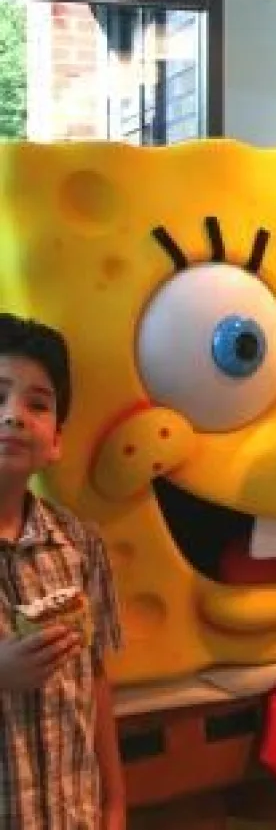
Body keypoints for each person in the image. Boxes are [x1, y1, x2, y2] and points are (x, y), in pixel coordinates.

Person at [0, 314, 124, 830]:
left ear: (56, 441)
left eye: (38, 404)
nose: (14, 416)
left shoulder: (80, 545)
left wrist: (114, 805)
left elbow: (95, 680)